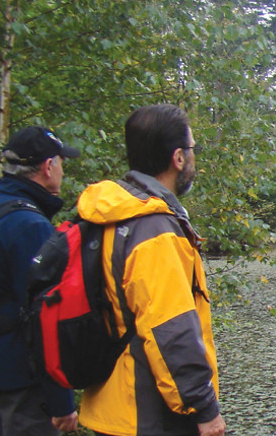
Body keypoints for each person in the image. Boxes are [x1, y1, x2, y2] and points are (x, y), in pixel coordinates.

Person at [76, 104, 225, 436]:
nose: (193, 158)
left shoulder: (110, 217)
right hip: (149, 415)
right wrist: (204, 407)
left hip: (112, 407)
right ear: (178, 158)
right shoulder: (155, 230)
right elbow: (170, 328)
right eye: (191, 149)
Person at [0, 126, 80, 434]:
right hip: (24, 381)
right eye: (61, 163)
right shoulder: (29, 226)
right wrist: (61, 399)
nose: (62, 171)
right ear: (48, 167)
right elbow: (43, 315)